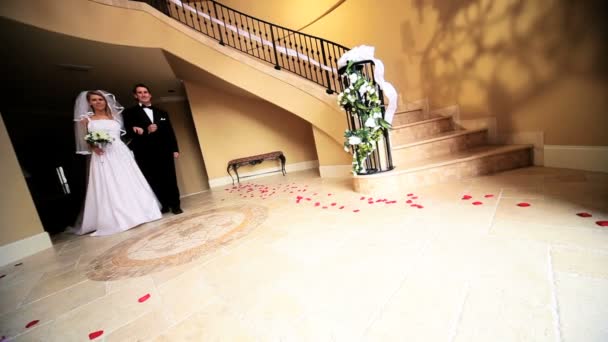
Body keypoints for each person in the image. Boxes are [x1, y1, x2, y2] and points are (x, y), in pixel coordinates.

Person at [69, 90, 162, 236]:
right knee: (109, 183)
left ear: (105, 101)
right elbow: (85, 139)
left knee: (128, 180)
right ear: (89, 103)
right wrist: (94, 147)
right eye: (94, 100)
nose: (98, 102)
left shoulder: (115, 116)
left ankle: (141, 212)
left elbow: (123, 134)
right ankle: (116, 218)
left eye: (100, 99)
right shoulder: (86, 119)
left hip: (120, 151)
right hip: (102, 154)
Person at [123, 84, 183, 214]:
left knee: (170, 178)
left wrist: (175, 149)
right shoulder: (129, 113)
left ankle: (176, 205)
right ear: (135, 96)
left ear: (150, 95)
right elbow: (127, 134)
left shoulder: (162, 113)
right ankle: (164, 205)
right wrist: (146, 131)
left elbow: (170, 132)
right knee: (153, 178)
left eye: (145, 92)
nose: (143, 94)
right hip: (144, 152)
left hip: (165, 150)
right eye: (140, 92)